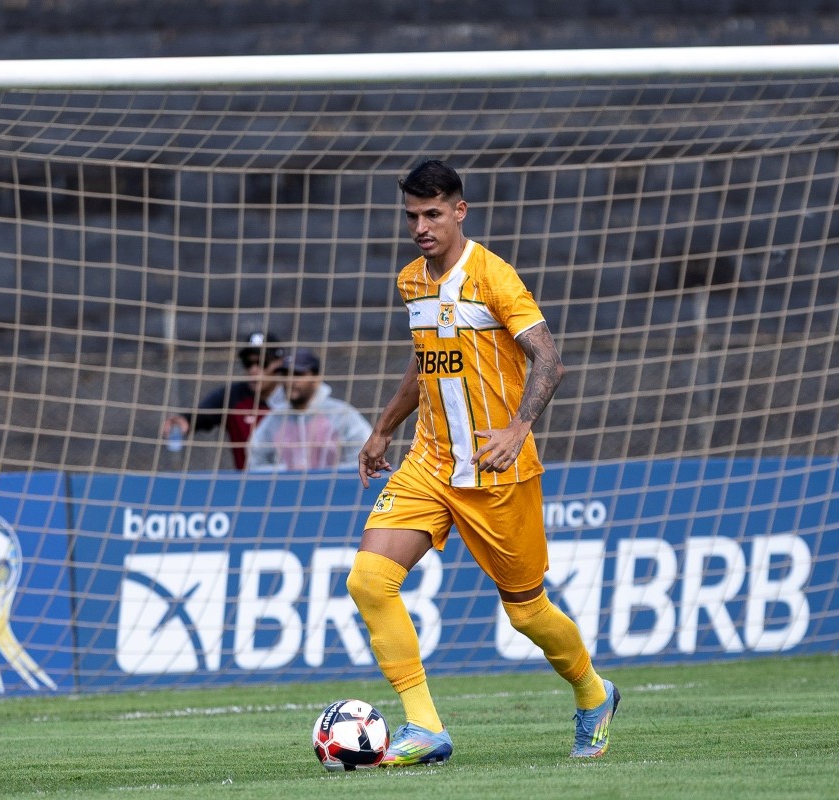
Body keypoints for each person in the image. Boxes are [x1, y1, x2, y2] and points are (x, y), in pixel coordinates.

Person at [347, 160, 618, 767]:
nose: (421, 227)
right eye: (412, 216)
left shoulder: (495, 277)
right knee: (369, 581)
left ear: (459, 212)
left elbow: (549, 361)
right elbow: (427, 363)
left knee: (527, 612)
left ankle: (593, 693)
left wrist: (518, 428)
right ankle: (425, 728)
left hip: (497, 471)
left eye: (433, 214)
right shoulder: (410, 281)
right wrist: (383, 429)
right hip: (429, 462)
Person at [161, 331, 286, 470]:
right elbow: (203, 414)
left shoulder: (293, 397)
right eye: (248, 363)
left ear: (279, 363)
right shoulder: (234, 396)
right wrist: (186, 420)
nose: (254, 370)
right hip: (249, 484)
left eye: (262, 363)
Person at [246, 347, 374, 471]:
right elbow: (256, 462)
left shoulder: (340, 414)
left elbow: (365, 455)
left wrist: (329, 473)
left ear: (316, 379)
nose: (290, 381)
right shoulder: (274, 419)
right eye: (286, 375)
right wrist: (286, 473)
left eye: (298, 374)